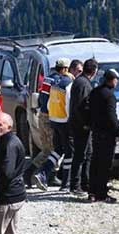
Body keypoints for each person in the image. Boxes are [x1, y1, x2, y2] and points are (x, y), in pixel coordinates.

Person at [28, 59, 72, 191]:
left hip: (46, 115)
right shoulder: (59, 82)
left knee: (53, 149)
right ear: (64, 69)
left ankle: (46, 175)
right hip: (52, 117)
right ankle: (33, 173)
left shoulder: (48, 80)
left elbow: (42, 98)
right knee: (50, 149)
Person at [88, 69, 119, 203]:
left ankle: (92, 192)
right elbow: (111, 117)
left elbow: (87, 110)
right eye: (116, 79)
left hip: (96, 133)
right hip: (107, 135)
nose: (117, 82)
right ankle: (102, 193)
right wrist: (117, 132)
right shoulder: (110, 96)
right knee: (105, 165)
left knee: (95, 162)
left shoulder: (94, 92)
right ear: (112, 80)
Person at [68, 59, 98, 196]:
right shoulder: (84, 84)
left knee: (88, 154)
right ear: (94, 71)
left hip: (80, 124)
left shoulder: (80, 81)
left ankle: (86, 183)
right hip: (81, 126)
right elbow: (82, 106)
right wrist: (86, 123)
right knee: (80, 155)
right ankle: (75, 185)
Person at [46, 58, 75, 191]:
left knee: (58, 150)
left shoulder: (52, 82)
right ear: (65, 69)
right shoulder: (68, 83)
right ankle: (65, 182)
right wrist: (71, 119)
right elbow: (69, 102)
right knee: (69, 152)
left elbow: (48, 102)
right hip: (64, 120)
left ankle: (43, 172)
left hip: (54, 119)